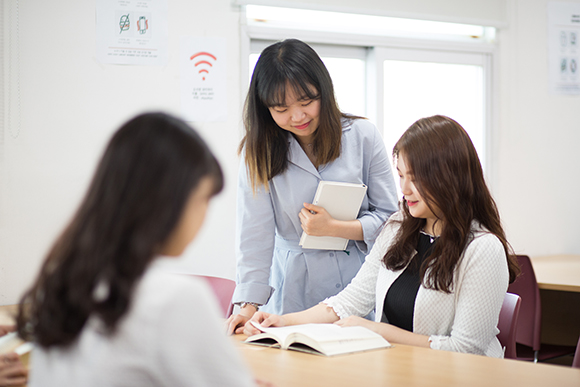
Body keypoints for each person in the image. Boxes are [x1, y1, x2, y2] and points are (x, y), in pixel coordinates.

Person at [243, 115, 520, 358]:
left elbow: (465, 350)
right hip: (399, 369)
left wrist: (377, 331)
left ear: (450, 178)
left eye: (416, 179)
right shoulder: (400, 227)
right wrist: (285, 321)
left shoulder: (483, 249)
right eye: (401, 176)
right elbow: (350, 301)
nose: (405, 189)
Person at [16, 113, 258, 386]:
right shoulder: (174, 300)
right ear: (169, 201)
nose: (204, 216)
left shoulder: (63, 284)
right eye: (203, 199)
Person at [227, 39, 399, 333]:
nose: (297, 116)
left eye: (306, 102)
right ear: (265, 107)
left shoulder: (363, 136)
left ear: (324, 91)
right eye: (281, 108)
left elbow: (392, 221)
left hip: (356, 284)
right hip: (292, 288)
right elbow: (255, 236)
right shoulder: (258, 153)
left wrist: (336, 228)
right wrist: (248, 306)